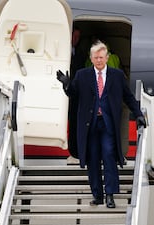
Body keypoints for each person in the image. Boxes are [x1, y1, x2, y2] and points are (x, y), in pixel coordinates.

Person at [56, 41, 146, 208]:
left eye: (101, 57)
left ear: (107, 58)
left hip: (107, 124)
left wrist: (138, 114)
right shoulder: (82, 75)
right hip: (89, 125)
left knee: (109, 155)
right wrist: (67, 84)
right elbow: (73, 95)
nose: (99, 60)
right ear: (91, 58)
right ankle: (97, 195)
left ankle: (110, 195)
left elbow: (128, 97)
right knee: (93, 159)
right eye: (96, 57)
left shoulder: (117, 75)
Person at [68, 25, 86, 159]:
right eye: (74, 36)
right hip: (66, 93)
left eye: (78, 37)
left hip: (76, 95)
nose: (75, 39)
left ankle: (76, 151)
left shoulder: (80, 54)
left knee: (76, 124)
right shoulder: (63, 52)